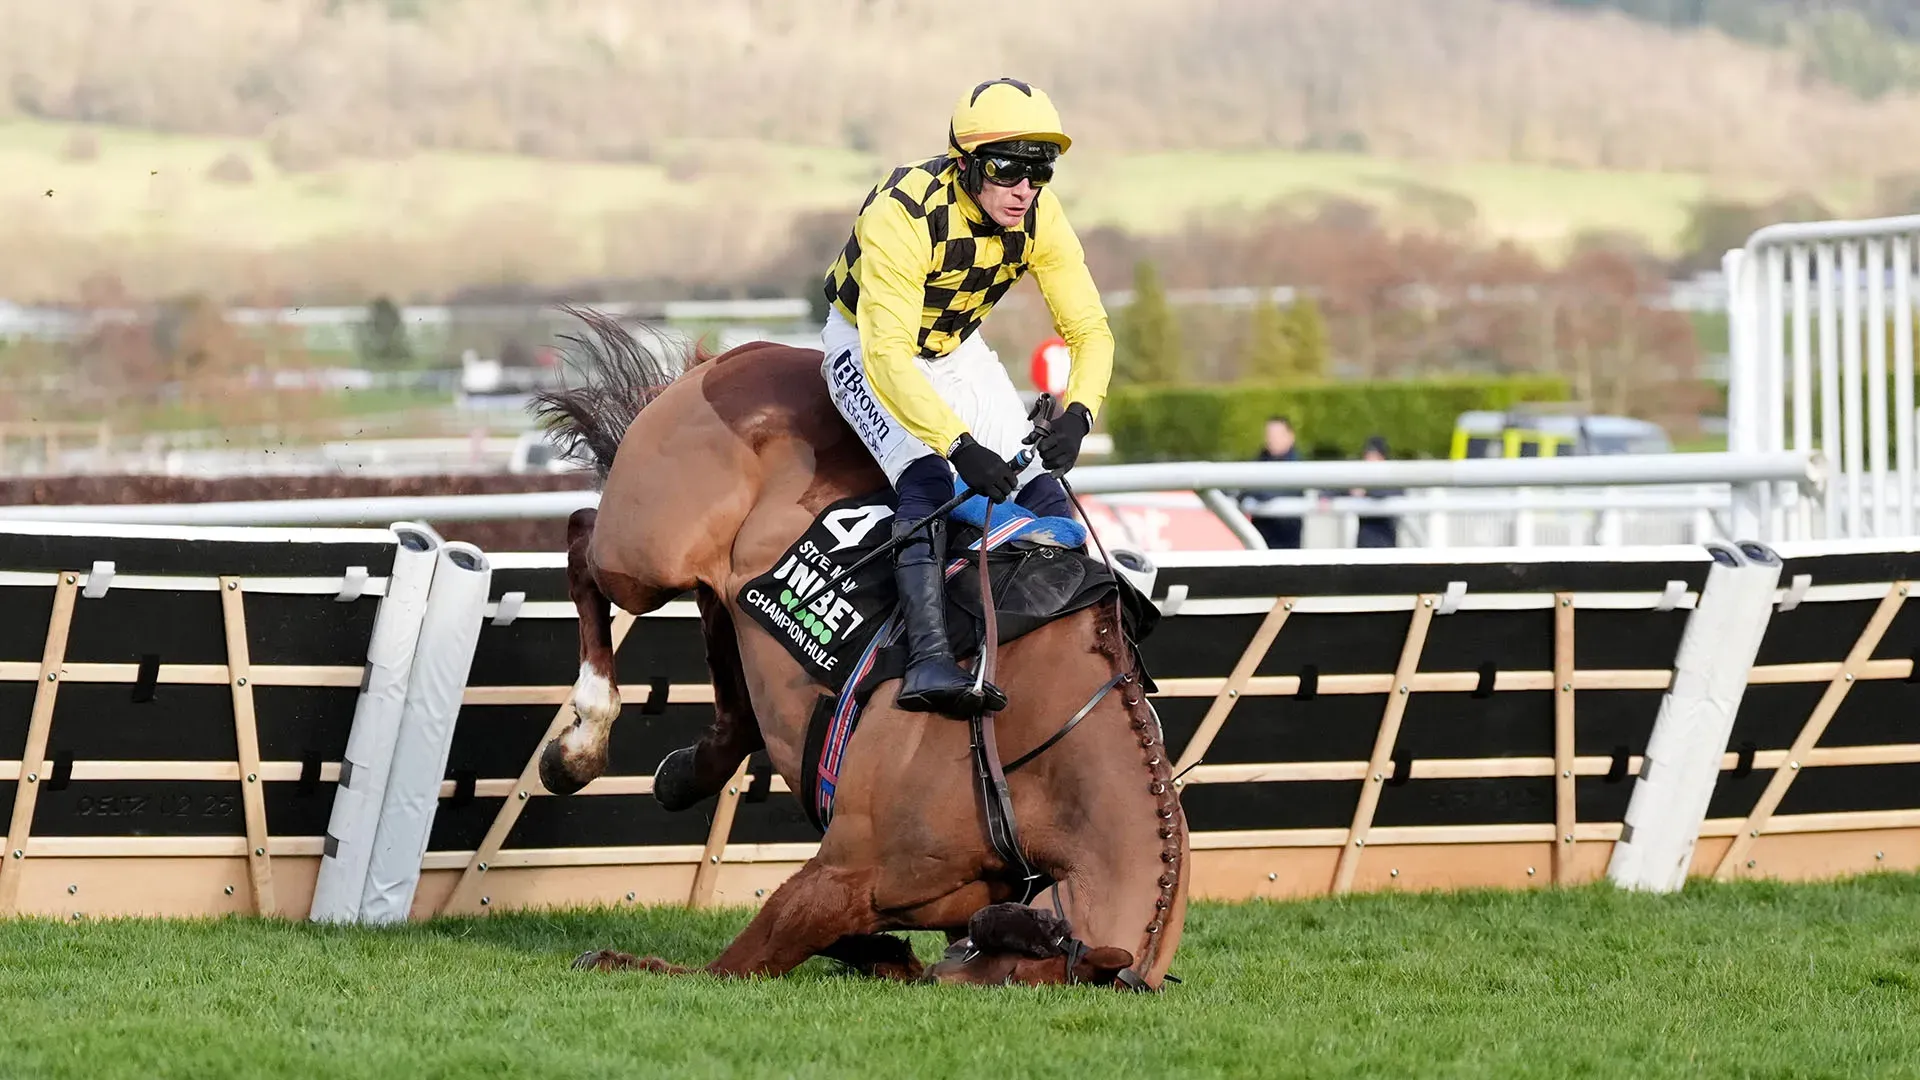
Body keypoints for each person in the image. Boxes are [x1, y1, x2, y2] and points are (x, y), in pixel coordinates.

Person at [818, 77, 1115, 719]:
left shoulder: (1040, 216)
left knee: (1041, 487)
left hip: (956, 348)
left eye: (1040, 171)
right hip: (865, 344)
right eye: (1008, 169)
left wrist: (1081, 412)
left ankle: (1081, 650)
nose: (1024, 189)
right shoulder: (902, 213)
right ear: (966, 164)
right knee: (928, 477)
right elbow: (888, 357)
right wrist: (958, 445)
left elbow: (1089, 330)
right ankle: (927, 658)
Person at [1242, 416, 1302, 549]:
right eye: (1269, 435)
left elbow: (1281, 490)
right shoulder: (1260, 460)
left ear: (1290, 436)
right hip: (1260, 537)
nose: (1272, 439)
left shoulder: (1297, 467)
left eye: (1277, 435)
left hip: (1286, 540)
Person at [1351, 435, 1401, 548]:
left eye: (1374, 457)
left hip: (1386, 544)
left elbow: (1389, 494)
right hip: (1364, 546)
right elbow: (1337, 487)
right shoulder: (1361, 478)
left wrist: (1365, 492)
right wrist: (1325, 497)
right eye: (1368, 457)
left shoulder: (1392, 480)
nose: (1370, 462)